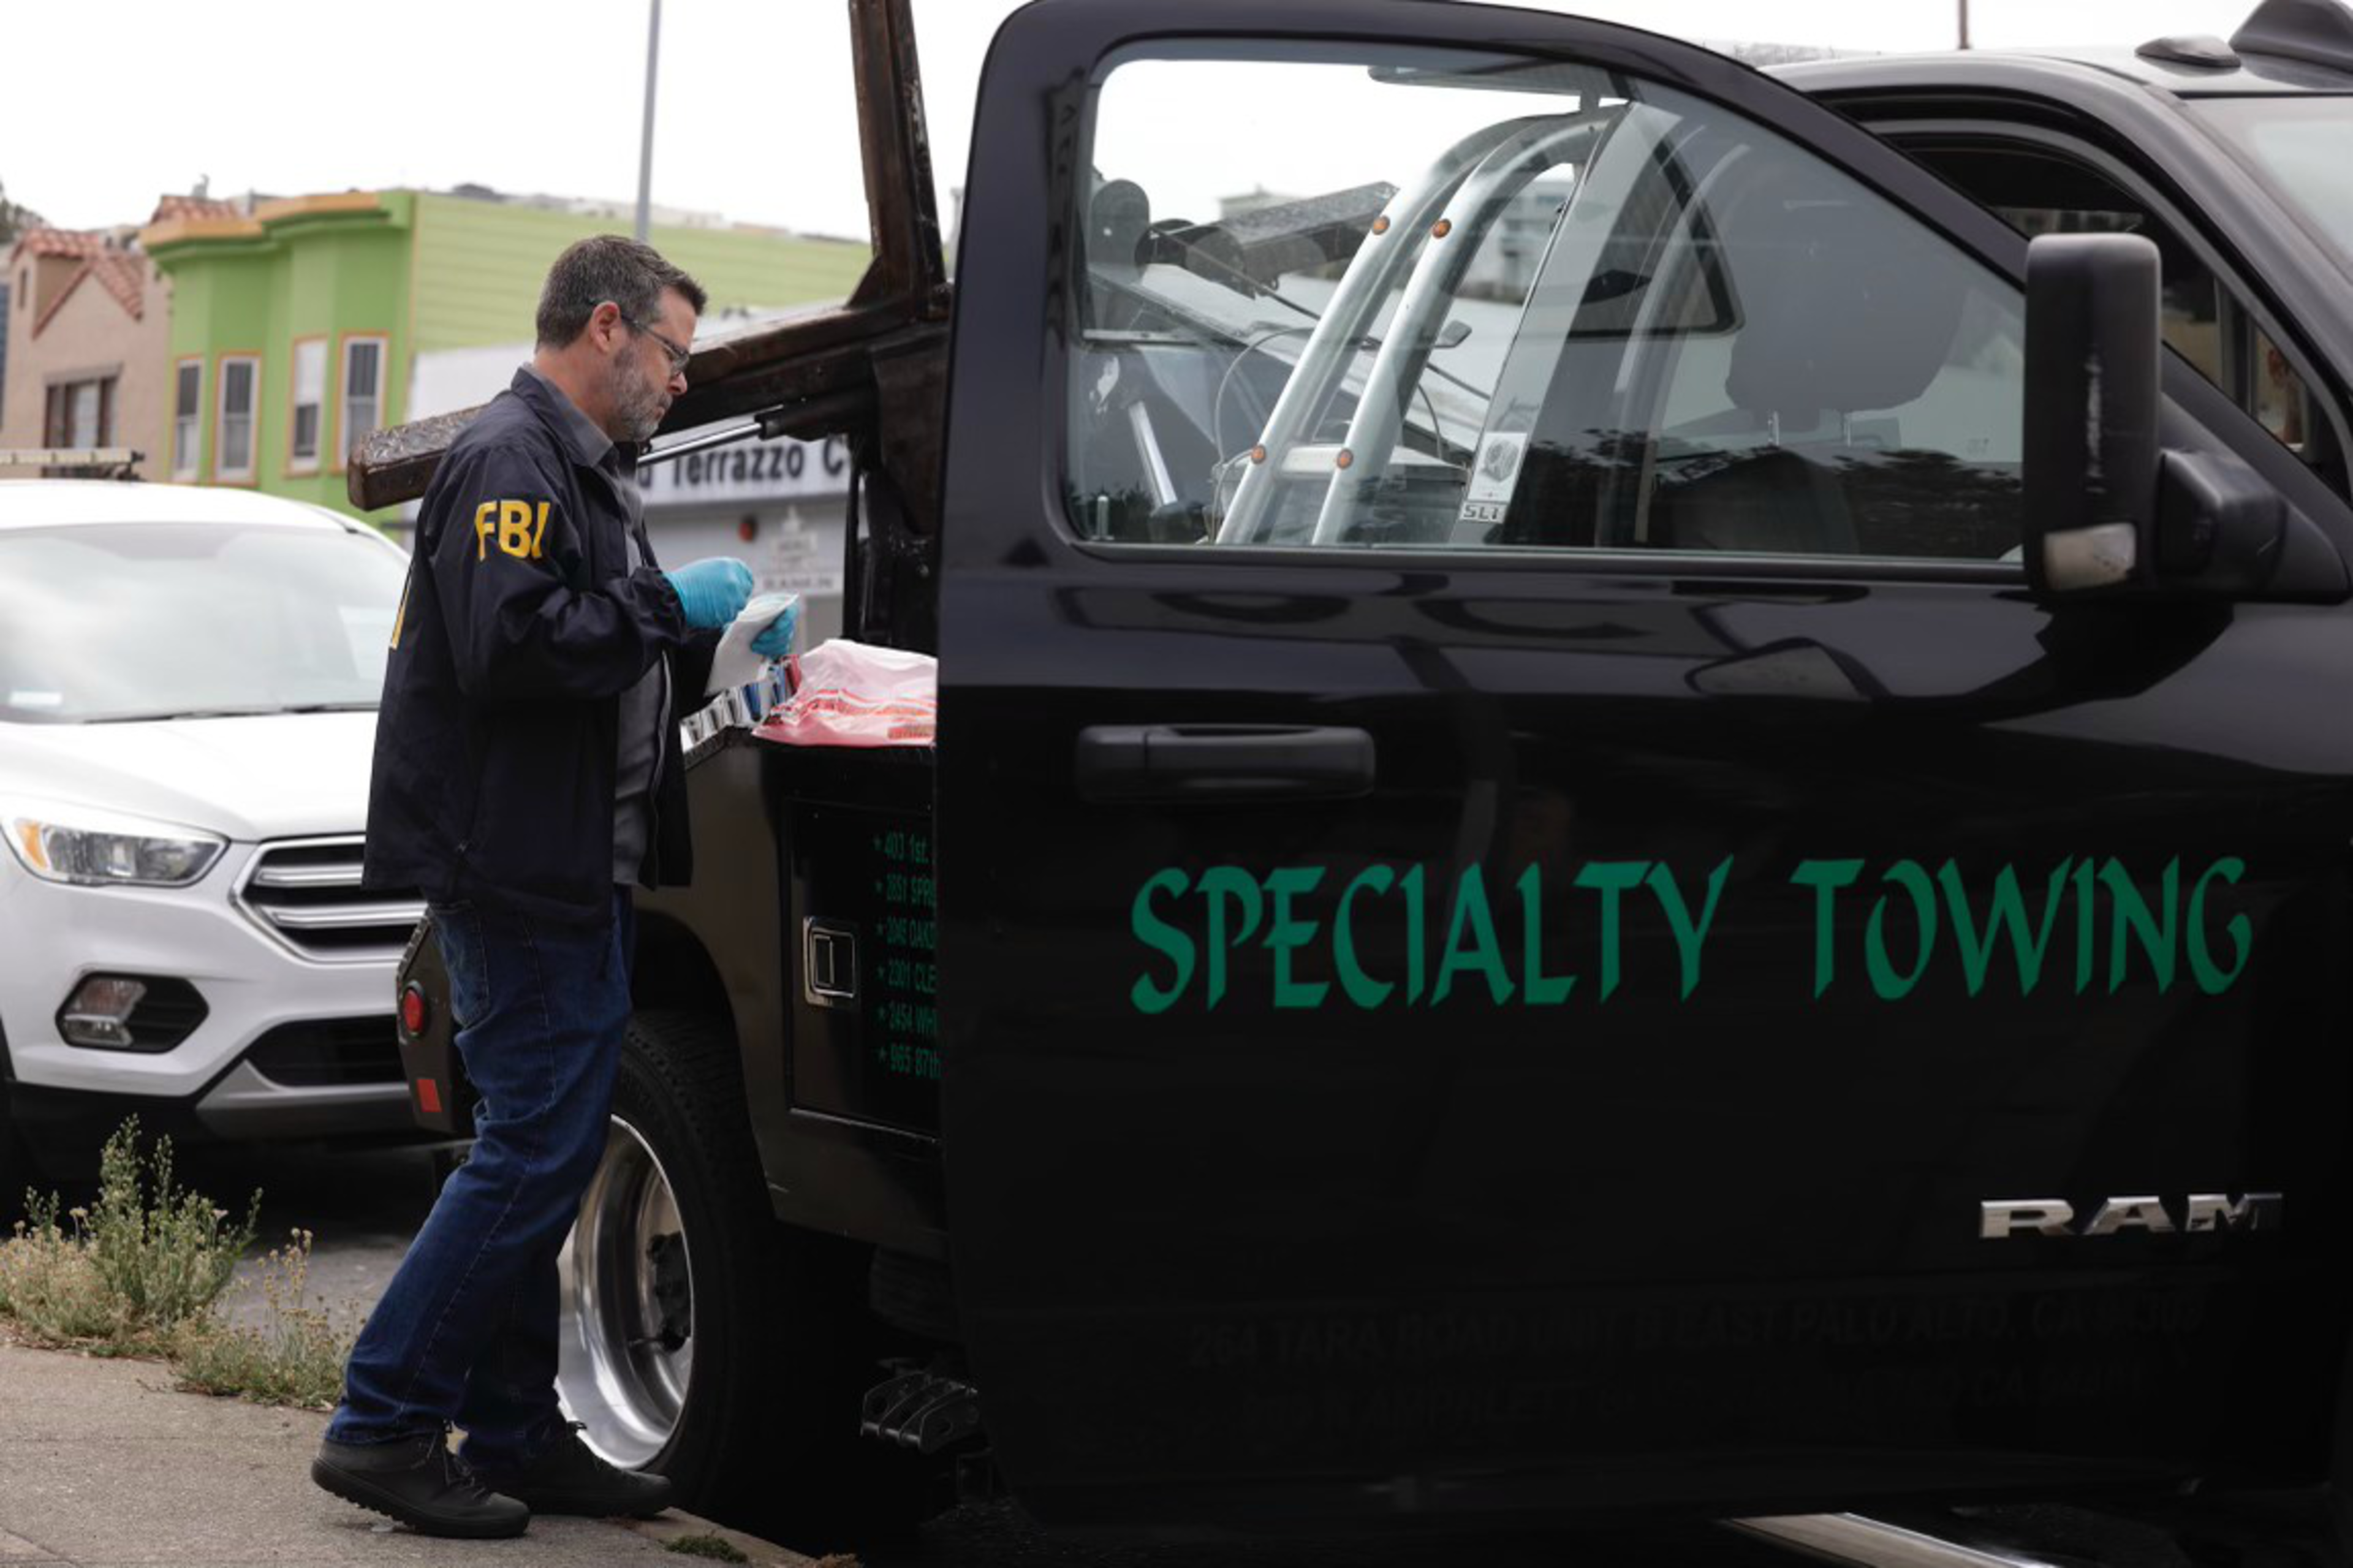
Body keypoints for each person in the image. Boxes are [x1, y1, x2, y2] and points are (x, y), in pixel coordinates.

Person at [312, 235, 797, 1539]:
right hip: (514, 866)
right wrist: (667, 609)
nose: (680, 382)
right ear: (606, 328)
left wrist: (704, 639)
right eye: (674, 354)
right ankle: (382, 1420)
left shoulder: (573, 465)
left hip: (562, 856)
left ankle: (518, 1430)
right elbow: (512, 649)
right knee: (536, 1151)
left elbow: (577, 652)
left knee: (544, 1147)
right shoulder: (512, 460)